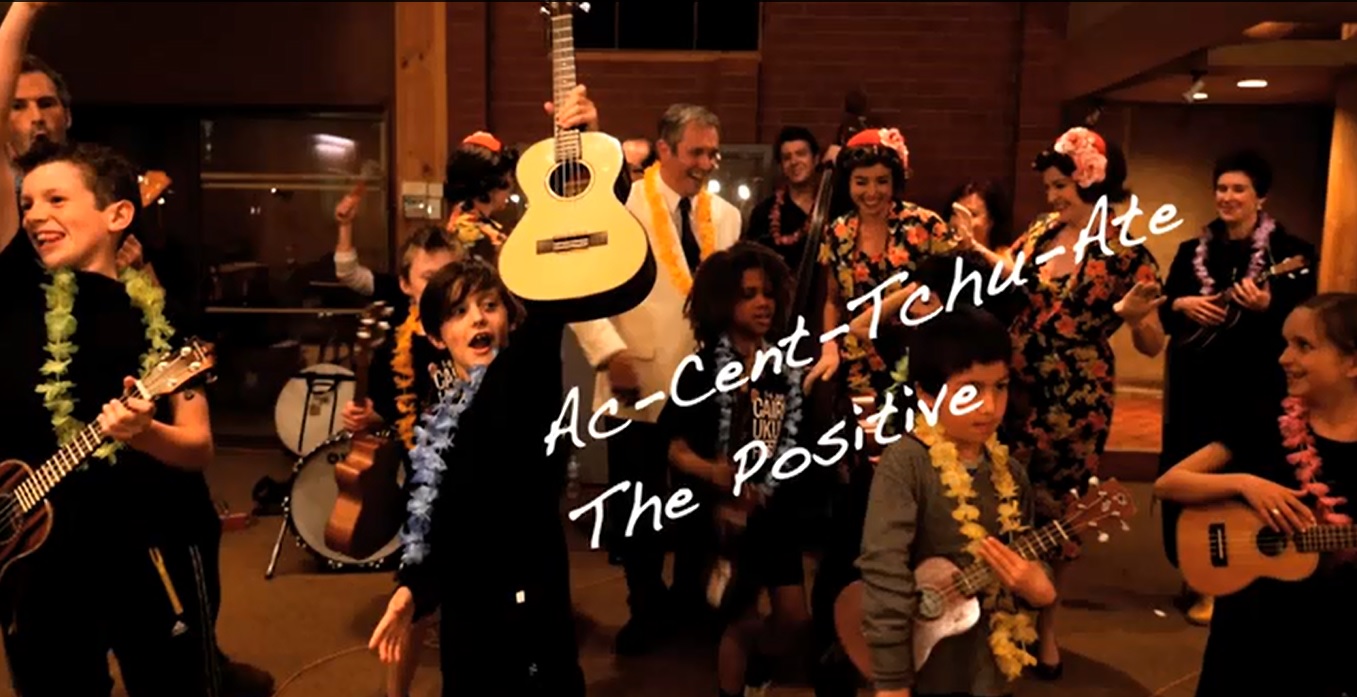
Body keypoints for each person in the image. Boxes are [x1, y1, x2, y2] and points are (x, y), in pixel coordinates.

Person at [962, 126, 1166, 676]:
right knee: (1003, 498)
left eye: (1061, 186)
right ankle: (995, 621)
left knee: (1062, 510)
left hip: (1077, 398)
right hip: (1015, 387)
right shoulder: (1041, 232)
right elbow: (1011, 277)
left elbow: (1154, 342)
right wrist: (975, 249)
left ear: (1092, 183)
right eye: (1049, 187)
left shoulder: (1127, 254)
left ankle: (1047, 624)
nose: (1051, 197)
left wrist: (1134, 318)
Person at [569, 103, 747, 655]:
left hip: (705, 390)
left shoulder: (727, 217)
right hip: (637, 379)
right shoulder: (620, 209)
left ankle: (690, 601)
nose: (706, 164)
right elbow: (581, 288)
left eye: (713, 153)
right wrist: (609, 354)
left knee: (696, 503)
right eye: (695, 152)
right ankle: (643, 606)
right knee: (637, 505)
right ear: (664, 149)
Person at [366, 257, 586, 696]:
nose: (478, 319)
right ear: (436, 337)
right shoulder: (441, 420)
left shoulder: (527, 384)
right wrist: (411, 591)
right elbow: (440, 525)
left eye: (489, 305)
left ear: (510, 319)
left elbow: (544, 323)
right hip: (468, 615)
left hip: (530, 603)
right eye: (459, 312)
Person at [1153, 293, 1357, 697]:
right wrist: (1246, 483)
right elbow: (1169, 483)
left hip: (1337, 632)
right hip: (1250, 628)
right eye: (1286, 343)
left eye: (1303, 346)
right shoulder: (1264, 418)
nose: (1284, 358)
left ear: (1353, 363)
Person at [857, 307, 1056, 697]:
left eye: (1000, 386)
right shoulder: (908, 463)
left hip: (989, 667)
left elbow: (1027, 548)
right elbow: (884, 573)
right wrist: (892, 681)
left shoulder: (1010, 472)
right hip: (924, 667)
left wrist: (1040, 585)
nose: (989, 406)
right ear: (926, 394)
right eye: (971, 390)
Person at [1156, 149, 1317, 624]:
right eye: (1221, 188)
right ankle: (1192, 569)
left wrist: (1269, 307)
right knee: (1184, 467)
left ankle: (1228, 576)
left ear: (1260, 196)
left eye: (1238, 189)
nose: (1227, 197)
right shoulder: (1192, 250)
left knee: (1238, 474)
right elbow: (1165, 312)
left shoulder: (1290, 254)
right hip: (1194, 383)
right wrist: (1182, 304)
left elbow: (1302, 324)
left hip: (1254, 387)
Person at [660, 241, 810, 697]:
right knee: (738, 619)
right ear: (723, 302)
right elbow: (673, 446)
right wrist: (712, 472)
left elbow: (793, 437)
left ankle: (758, 668)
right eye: (749, 294)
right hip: (720, 518)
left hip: (772, 512)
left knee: (794, 618)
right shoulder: (700, 370)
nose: (763, 303)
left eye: (768, 293)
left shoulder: (782, 369)